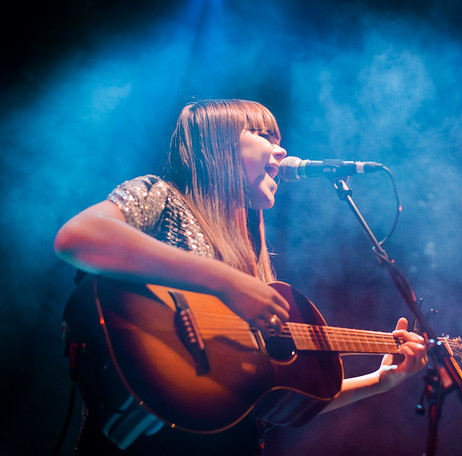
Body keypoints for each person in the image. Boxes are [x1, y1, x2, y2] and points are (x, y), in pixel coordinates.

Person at [54, 99, 427, 455]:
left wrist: (378, 382)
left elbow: (265, 397)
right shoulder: (162, 197)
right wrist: (225, 282)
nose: (281, 152)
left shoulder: (251, 255)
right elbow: (78, 237)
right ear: (219, 145)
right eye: (265, 136)